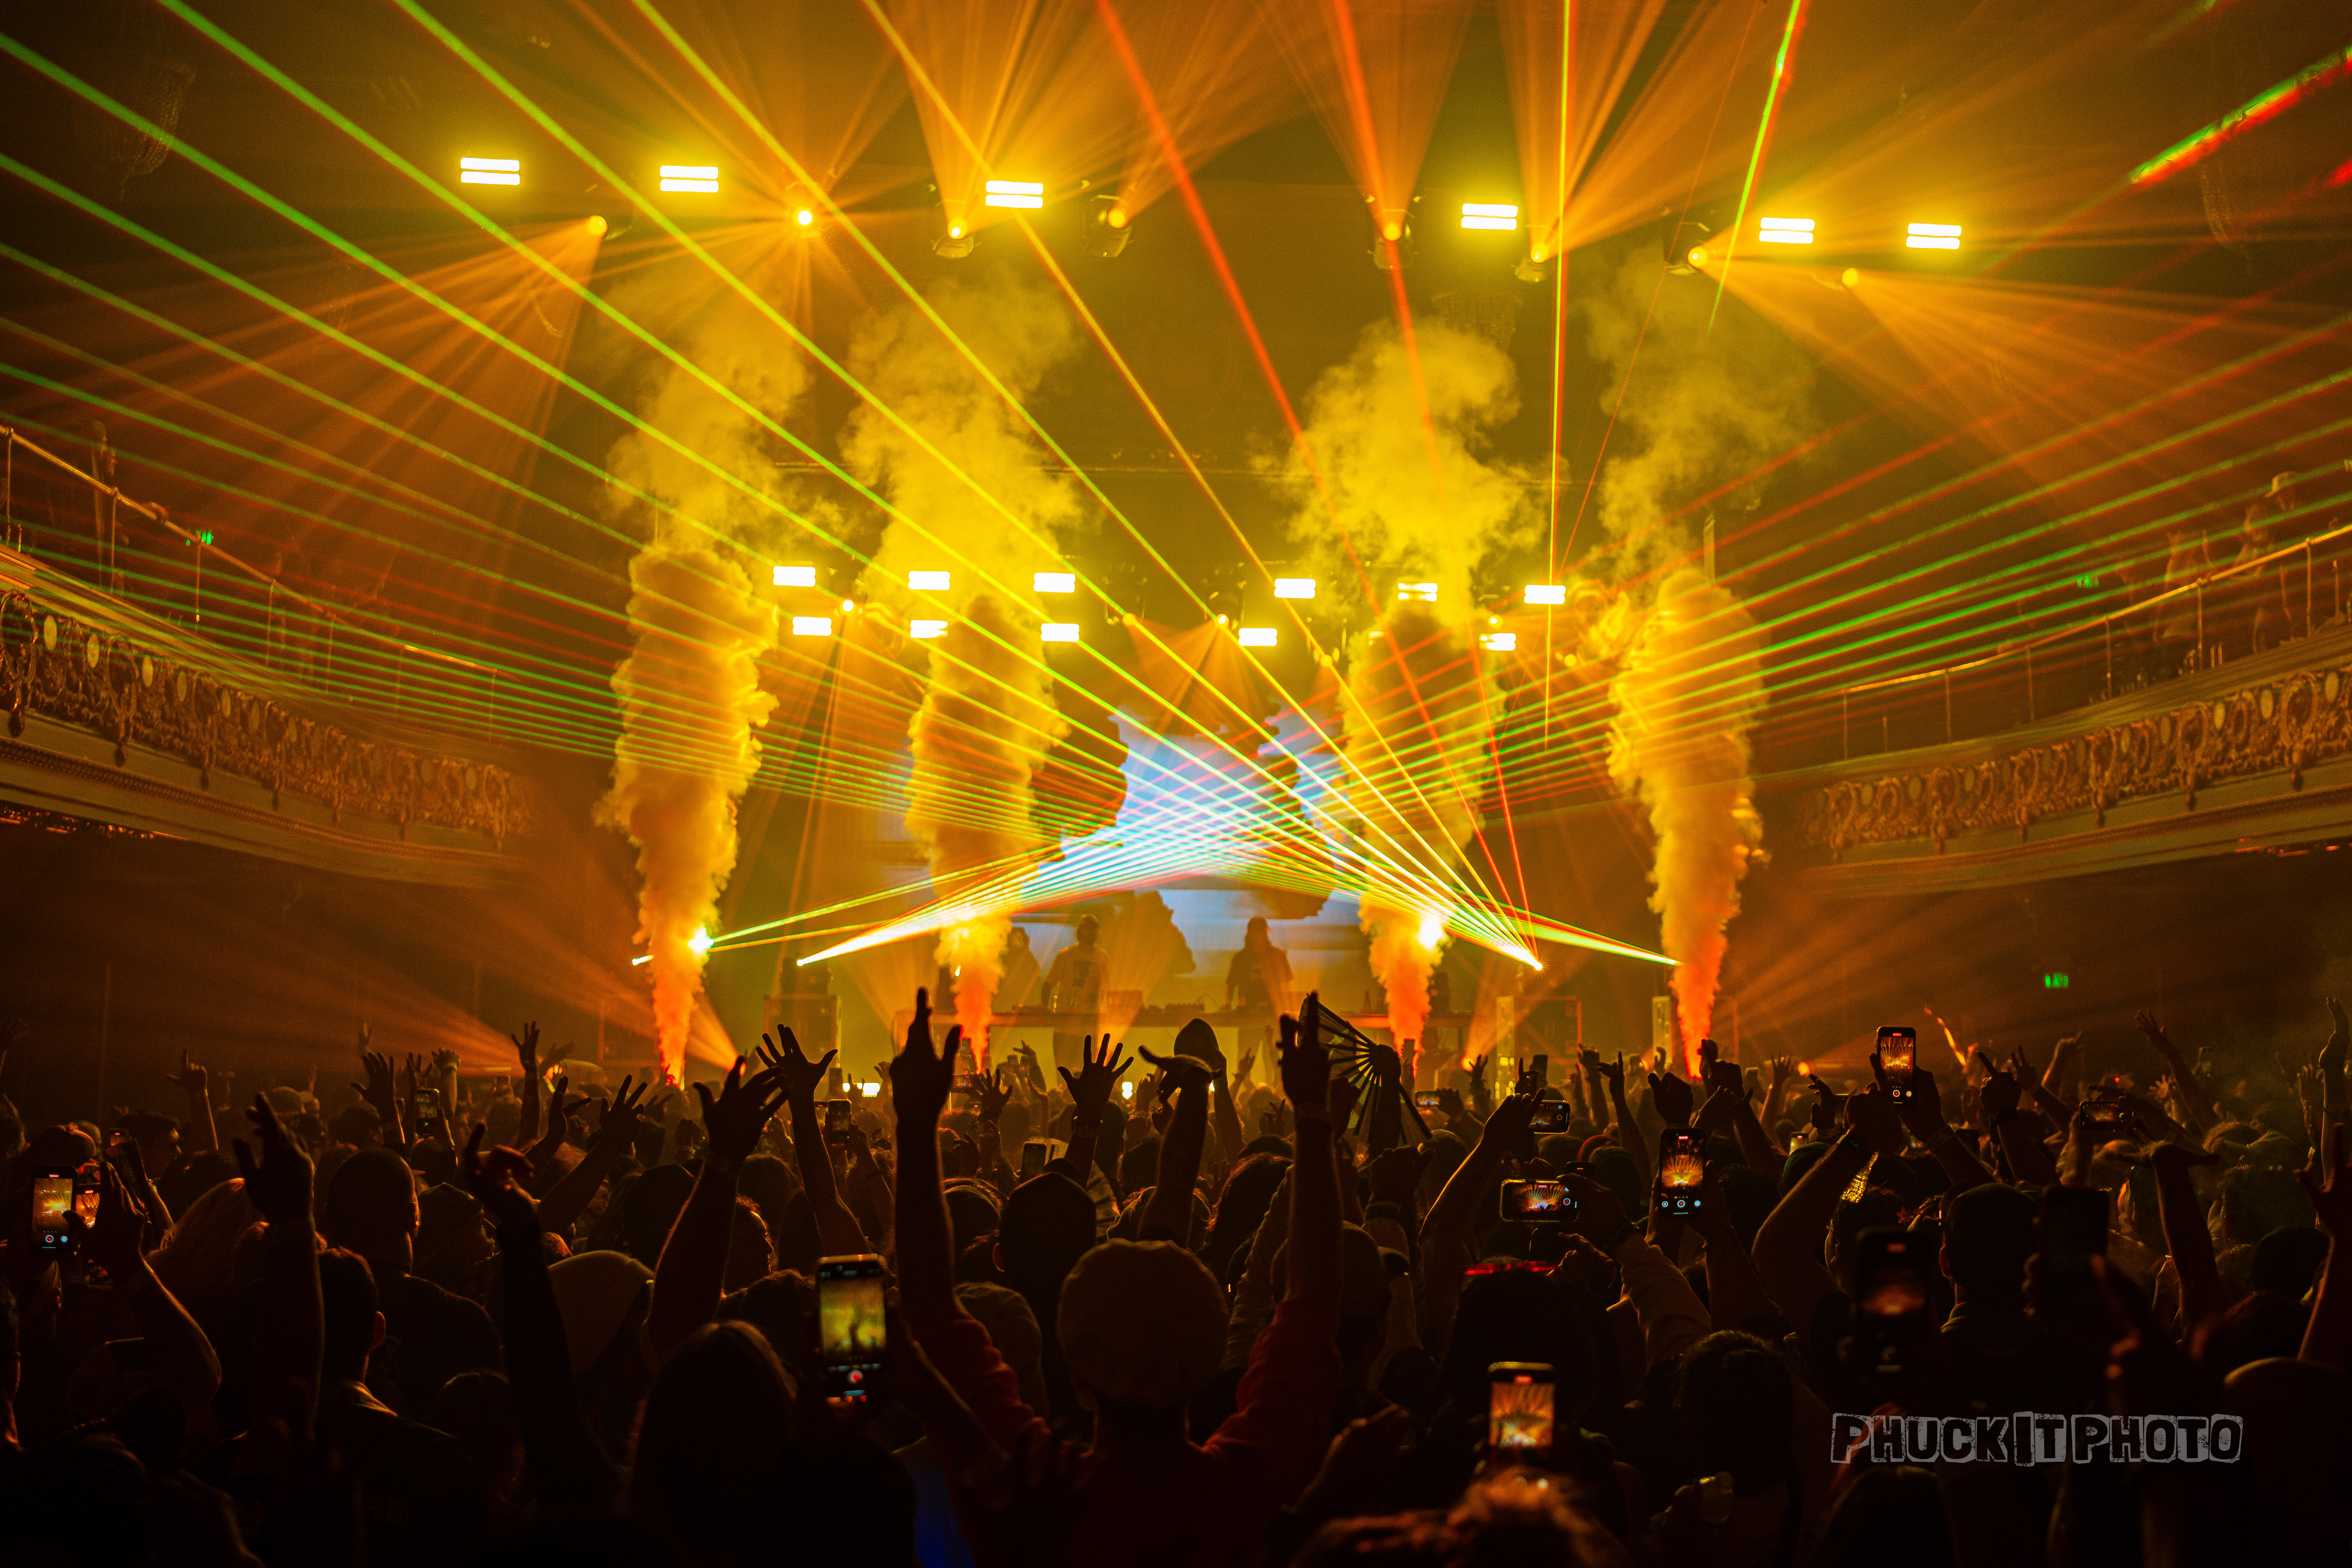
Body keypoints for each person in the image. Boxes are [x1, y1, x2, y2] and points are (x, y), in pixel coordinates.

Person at [1226, 916, 1294, 1080]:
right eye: (1259, 933)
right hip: (1248, 1017)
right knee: (1245, 1062)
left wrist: (1285, 1008)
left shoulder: (1278, 956)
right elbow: (1231, 984)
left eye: (1264, 933)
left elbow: (1285, 986)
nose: (1262, 937)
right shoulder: (1241, 958)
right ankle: (1245, 1095)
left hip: (1273, 1016)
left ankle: (1278, 1095)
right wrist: (1227, 1003)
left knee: (1277, 1063)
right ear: (1250, 934)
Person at [1042, 916, 1109, 1081]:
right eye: (1088, 929)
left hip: (1089, 1027)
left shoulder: (1102, 956)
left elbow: (1107, 989)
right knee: (1064, 1077)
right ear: (1080, 932)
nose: (1091, 933)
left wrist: (1107, 1012)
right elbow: (1048, 985)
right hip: (1065, 1027)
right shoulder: (1066, 955)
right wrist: (1045, 1010)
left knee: (1087, 1077)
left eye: (1094, 929)